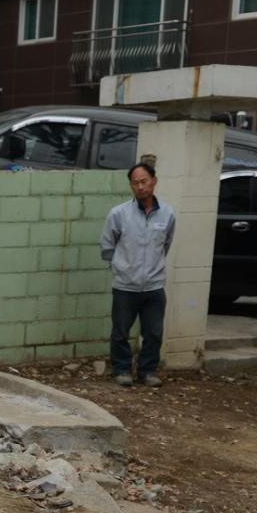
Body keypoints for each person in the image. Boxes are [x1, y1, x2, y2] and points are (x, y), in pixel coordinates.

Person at [100, 161, 176, 387]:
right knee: (121, 331)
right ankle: (122, 369)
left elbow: (166, 244)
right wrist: (120, 268)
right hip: (125, 286)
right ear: (131, 186)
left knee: (153, 332)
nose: (141, 187)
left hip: (154, 286)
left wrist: (154, 268)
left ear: (154, 182)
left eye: (144, 181)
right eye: (135, 183)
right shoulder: (119, 214)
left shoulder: (168, 214)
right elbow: (107, 246)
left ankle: (147, 371)